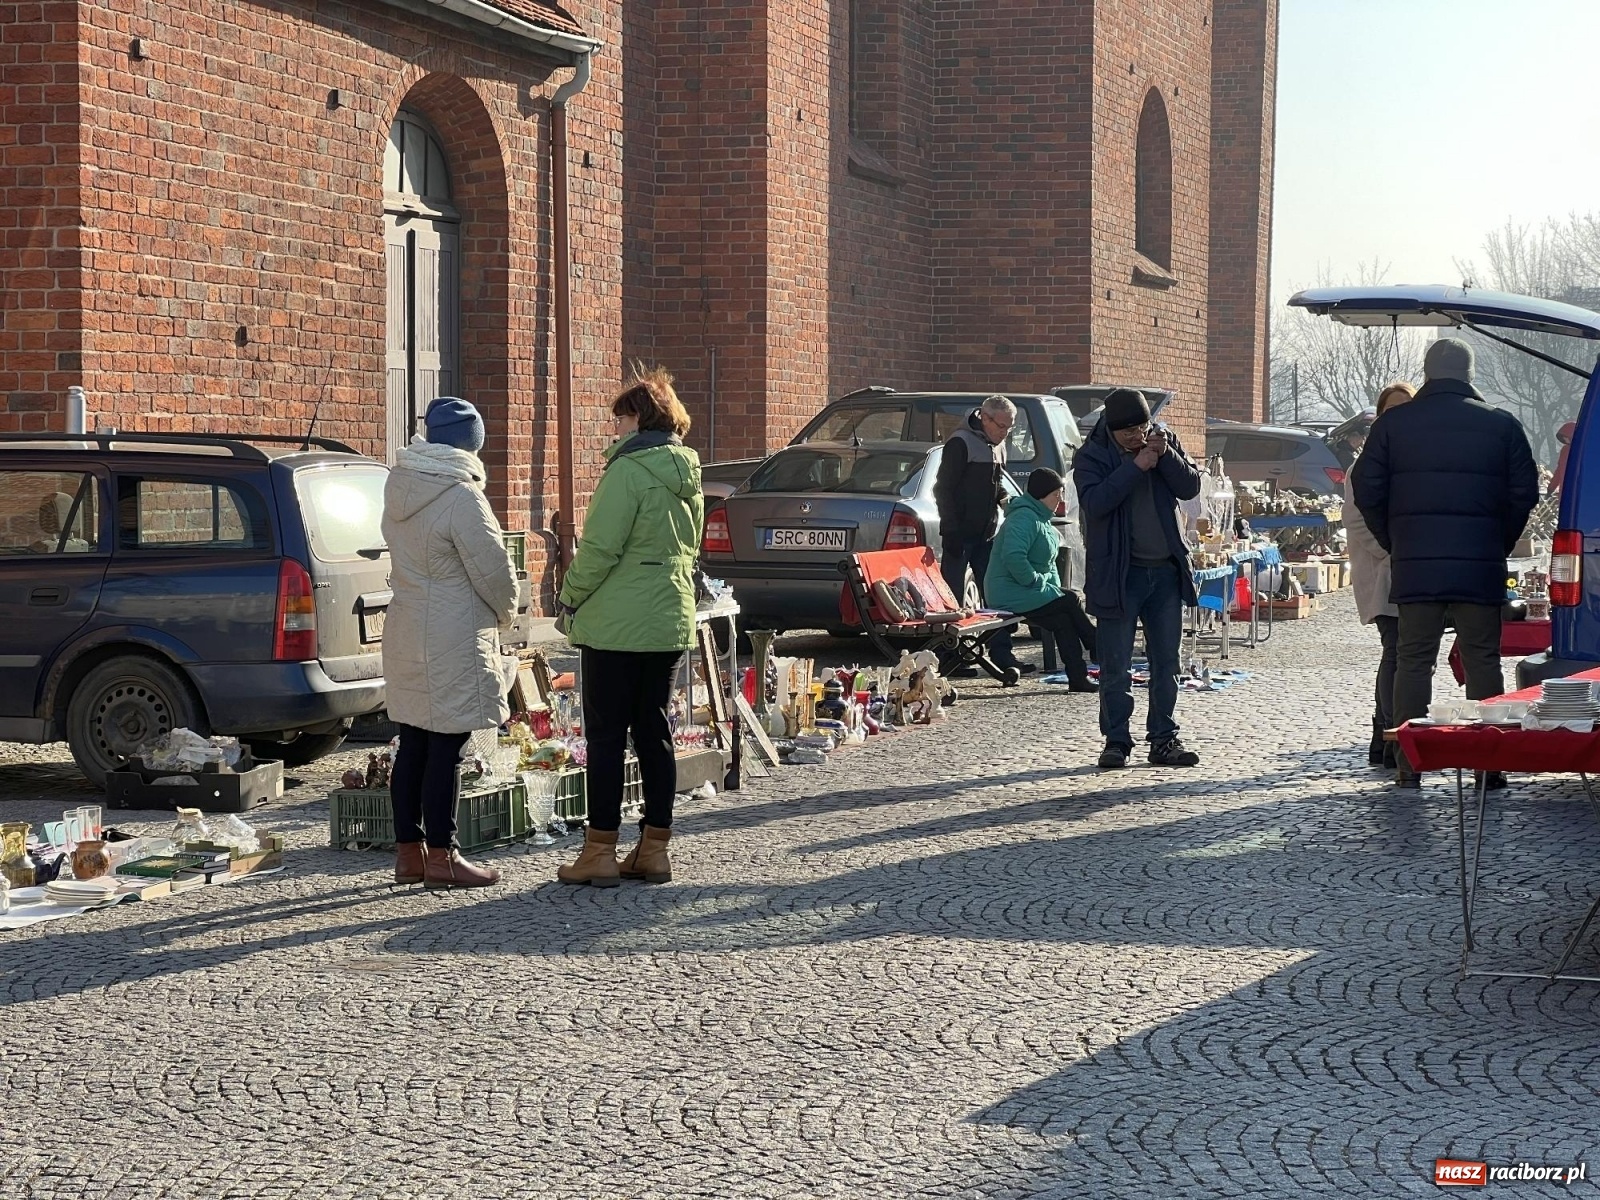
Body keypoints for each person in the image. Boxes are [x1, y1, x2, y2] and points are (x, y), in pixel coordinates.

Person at [1353, 337, 1540, 788]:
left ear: (1428, 372)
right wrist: (1497, 541)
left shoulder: (1395, 425)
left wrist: (1396, 540)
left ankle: (1408, 763)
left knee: (1413, 661)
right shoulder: (1502, 425)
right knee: (1482, 660)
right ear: (1469, 374)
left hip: (1416, 562)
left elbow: (1366, 488)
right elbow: (1524, 494)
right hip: (1480, 563)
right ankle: (1488, 764)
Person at [555, 367, 704, 887]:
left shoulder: (628, 470)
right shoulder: (689, 474)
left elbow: (600, 548)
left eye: (618, 420)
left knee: (606, 736)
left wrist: (568, 596)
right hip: (669, 616)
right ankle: (654, 848)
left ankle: (599, 850)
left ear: (637, 417)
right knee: (654, 730)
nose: (613, 432)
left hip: (617, 622)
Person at [382, 396, 519, 889]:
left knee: (413, 743)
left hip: (405, 624)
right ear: (471, 444)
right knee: (448, 746)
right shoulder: (462, 494)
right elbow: (494, 571)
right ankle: (443, 855)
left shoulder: (399, 484)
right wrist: (506, 614)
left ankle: (409, 852)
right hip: (453, 631)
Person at [1074, 388, 1203, 769]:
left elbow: (1190, 486)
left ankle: (1164, 738)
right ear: (1111, 430)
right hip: (1118, 573)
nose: (1137, 436)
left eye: (1142, 427)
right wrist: (1135, 466)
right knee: (1116, 665)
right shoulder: (1092, 457)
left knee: (1167, 662)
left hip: (1164, 571)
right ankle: (1116, 741)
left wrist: (1166, 457)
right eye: (1128, 431)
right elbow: (1095, 504)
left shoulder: (1163, 442)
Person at [1344, 381, 1416, 769]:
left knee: (1408, 654)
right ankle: (1388, 731)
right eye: (1393, 410)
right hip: (1385, 572)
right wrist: (1390, 552)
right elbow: (1356, 521)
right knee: (1396, 651)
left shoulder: (1417, 456)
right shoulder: (1367, 463)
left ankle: (1385, 733)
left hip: (1411, 571)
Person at [933, 394, 1024, 679]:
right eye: (1001, 426)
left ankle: (1003, 655)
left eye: (1010, 428)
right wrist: (951, 530)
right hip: (960, 534)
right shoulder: (960, 443)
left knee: (994, 596)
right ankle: (950, 659)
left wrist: (1004, 499)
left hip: (986, 534)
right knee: (953, 600)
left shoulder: (997, 445)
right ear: (984, 418)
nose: (1005, 432)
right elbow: (942, 489)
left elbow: (995, 484)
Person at [984, 468, 1098, 692]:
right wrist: (1035, 582)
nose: (1060, 500)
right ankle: (1096, 644)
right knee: (1071, 599)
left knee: (1063, 620)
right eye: (1056, 495)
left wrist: (1051, 589)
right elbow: (1013, 557)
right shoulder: (1024, 518)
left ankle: (1078, 677)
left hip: (1029, 590)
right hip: (1009, 591)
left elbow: (1049, 563)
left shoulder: (1041, 518)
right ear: (1041, 496)